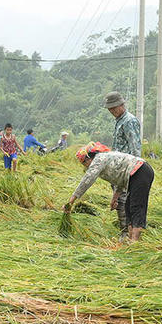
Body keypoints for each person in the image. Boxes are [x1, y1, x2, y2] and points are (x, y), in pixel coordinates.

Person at [63, 142, 154, 243]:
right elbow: (120, 180)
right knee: (128, 207)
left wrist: (71, 201)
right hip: (133, 176)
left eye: (84, 163)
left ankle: (135, 241)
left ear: (88, 159)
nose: (85, 167)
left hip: (140, 171)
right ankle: (129, 238)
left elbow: (87, 180)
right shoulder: (102, 161)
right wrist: (115, 198)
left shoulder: (99, 160)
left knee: (136, 207)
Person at [103, 91, 141, 238]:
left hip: (127, 168)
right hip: (118, 167)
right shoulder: (119, 120)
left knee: (123, 199)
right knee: (120, 199)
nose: (112, 111)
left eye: (113, 108)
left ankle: (126, 232)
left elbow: (135, 148)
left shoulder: (129, 121)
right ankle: (124, 230)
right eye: (109, 109)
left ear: (121, 105)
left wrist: (133, 171)